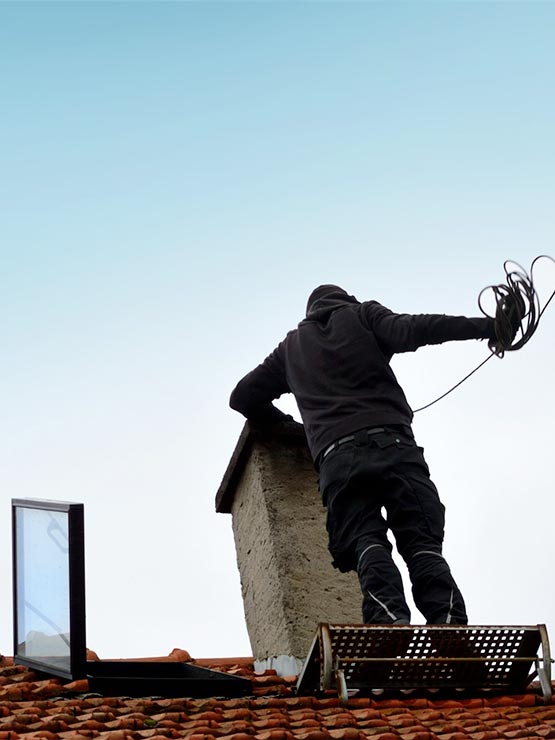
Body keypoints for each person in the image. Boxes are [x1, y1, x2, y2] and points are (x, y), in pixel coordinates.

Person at [229, 284, 499, 625]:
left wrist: (287, 424)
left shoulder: (290, 348)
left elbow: (242, 397)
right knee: (421, 543)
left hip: (337, 461)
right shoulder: (363, 315)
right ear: (347, 300)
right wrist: (487, 327)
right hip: (394, 447)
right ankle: (448, 626)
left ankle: (388, 622)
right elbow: (418, 327)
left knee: (366, 541)